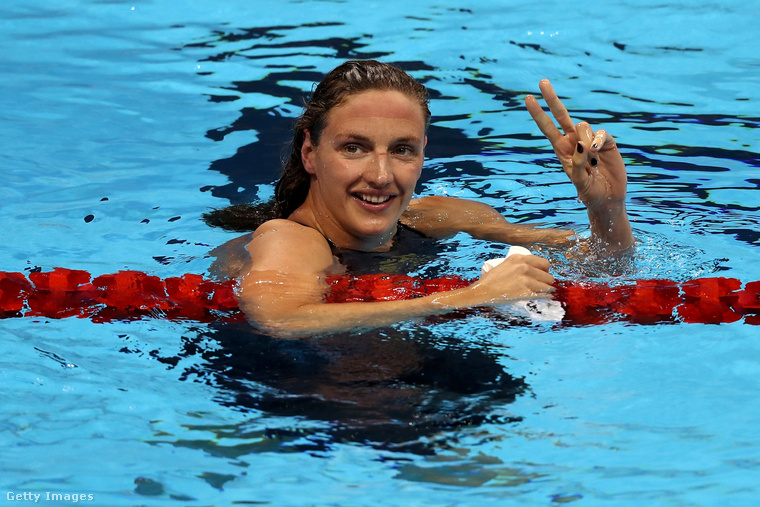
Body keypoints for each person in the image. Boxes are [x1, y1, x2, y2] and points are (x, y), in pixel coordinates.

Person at [209, 60, 634, 337]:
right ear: (310, 154)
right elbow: (281, 319)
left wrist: (606, 208)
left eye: (402, 149)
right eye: (353, 148)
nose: (380, 176)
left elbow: (604, 265)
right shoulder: (288, 239)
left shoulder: (444, 217)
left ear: (423, 152)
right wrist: (467, 297)